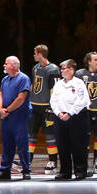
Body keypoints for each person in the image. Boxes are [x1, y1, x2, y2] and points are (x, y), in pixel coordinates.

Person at [0, 55, 32, 180]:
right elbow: (1, 95)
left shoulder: (23, 78)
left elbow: (21, 98)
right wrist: (1, 110)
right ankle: (5, 170)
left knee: (22, 143)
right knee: (7, 143)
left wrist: (7, 109)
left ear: (13, 65)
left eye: (6, 63)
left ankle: (26, 170)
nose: (4, 66)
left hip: (19, 116)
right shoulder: (5, 79)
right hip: (7, 116)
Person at [50, 59, 90, 180]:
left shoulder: (79, 83)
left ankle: (80, 171)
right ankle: (65, 172)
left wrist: (70, 113)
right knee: (62, 146)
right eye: (61, 69)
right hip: (60, 118)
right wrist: (59, 113)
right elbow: (53, 100)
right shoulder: (58, 84)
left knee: (78, 145)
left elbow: (81, 101)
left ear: (72, 70)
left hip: (76, 118)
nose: (61, 71)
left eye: (64, 68)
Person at [29, 45, 61, 174]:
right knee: (30, 135)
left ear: (40, 54)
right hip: (34, 107)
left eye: (35, 53)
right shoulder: (35, 68)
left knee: (50, 136)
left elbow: (55, 90)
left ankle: (52, 161)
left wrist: (51, 108)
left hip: (46, 108)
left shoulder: (53, 70)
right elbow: (33, 86)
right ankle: (27, 160)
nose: (34, 55)